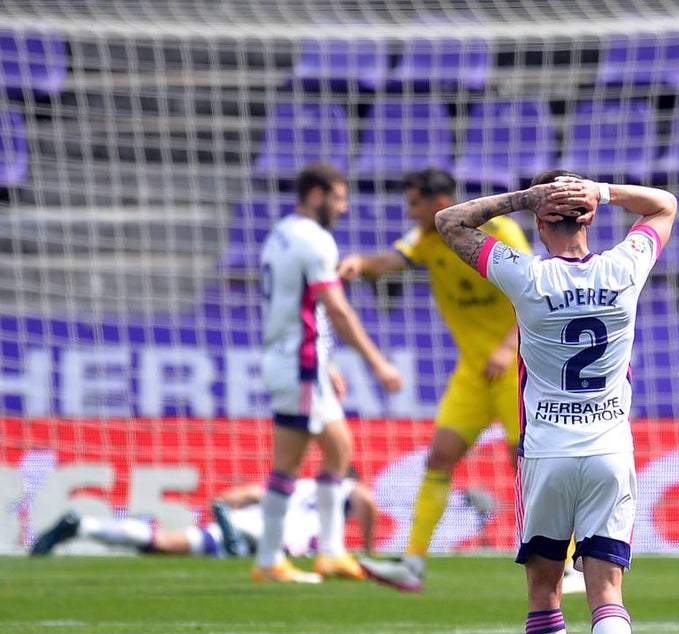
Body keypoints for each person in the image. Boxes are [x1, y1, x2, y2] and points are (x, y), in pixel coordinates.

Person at [434, 170, 676, 634]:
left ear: (540, 222)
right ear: (587, 218)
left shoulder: (527, 277)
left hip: (546, 451)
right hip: (610, 451)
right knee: (607, 589)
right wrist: (606, 192)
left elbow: (449, 222)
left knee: (544, 588)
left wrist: (522, 199)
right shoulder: (625, 268)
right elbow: (665, 205)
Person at [339, 167, 584, 594]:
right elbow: (387, 263)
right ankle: (412, 562)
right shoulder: (426, 240)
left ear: (438, 202)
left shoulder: (500, 231)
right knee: (439, 459)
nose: (409, 212)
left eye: (414, 203)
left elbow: (537, 291)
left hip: (517, 368)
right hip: (472, 374)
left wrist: (508, 345)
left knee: (530, 466)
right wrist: (360, 264)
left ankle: (567, 567)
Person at [257, 161, 402, 584]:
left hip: (295, 359)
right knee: (330, 451)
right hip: (300, 364)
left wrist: (329, 360)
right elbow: (335, 308)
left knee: (315, 455)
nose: (345, 207)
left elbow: (297, 307)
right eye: (339, 198)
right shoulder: (316, 241)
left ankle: (297, 556)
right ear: (317, 195)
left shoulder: (280, 234)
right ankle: (312, 554)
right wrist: (377, 362)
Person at [27, 476, 378, 562]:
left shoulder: (299, 485)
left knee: (162, 544)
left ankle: (83, 525)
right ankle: (237, 543)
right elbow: (365, 498)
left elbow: (248, 493)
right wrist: (368, 547)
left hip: (250, 520)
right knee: (303, 552)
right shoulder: (342, 487)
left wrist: (224, 505)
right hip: (283, 535)